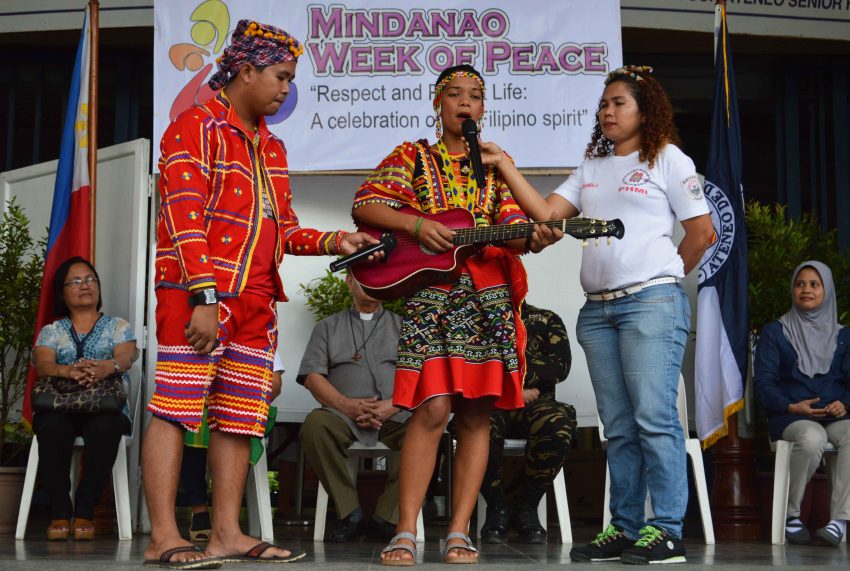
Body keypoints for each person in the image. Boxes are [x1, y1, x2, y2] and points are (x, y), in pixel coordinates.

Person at [143, 19, 379, 568]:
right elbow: (183, 217)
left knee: (239, 416)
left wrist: (337, 239)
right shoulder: (193, 127)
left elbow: (284, 229)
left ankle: (225, 534)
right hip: (196, 294)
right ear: (245, 71)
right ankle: (162, 536)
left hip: (257, 302)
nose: (285, 90)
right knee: (176, 410)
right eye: (280, 77)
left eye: (290, 79)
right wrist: (205, 296)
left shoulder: (271, 146)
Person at [475, 65, 715, 564]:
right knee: (620, 426)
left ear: (645, 111)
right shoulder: (591, 168)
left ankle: (667, 529)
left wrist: (666, 276)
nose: (607, 111)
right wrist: (503, 164)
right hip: (599, 312)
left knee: (654, 418)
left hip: (651, 304)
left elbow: (701, 234)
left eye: (618, 103)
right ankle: (625, 528)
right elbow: (546, 214)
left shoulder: (669, 159)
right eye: (603, 104)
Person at [352, 64, 561, 565]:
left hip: (485, 305)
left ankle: (460, 531)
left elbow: (515, 233)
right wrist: (418, 224)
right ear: (437, 104)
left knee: (475, 414)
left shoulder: (493, 167)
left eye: (475, 96)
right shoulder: (413, 157)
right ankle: (406, 529)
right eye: (455, 95)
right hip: (430, 297)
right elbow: (366, 203)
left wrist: (533, 231)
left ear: (483, 109)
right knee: (431, 410)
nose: (465, 103)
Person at [298, 273, 409, 542]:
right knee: (314, 426)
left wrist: (392, 405)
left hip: (397, 414)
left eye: (377, 279)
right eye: (363, 279)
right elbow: (313, 377)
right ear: (349, 282)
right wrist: (346, 406)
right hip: (341, 416)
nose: (372, 284)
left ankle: (387, 517)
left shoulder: (406, 327)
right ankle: (350, 512)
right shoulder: (327, 327)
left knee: (427, 431)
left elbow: (422, 376)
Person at [31, 256, 136, 541]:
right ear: (62, 293)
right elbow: (43, 365)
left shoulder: (118, 326)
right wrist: (69, 371)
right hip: (60, 406)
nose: (85, 285)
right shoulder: (51, 331)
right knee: (51, 426)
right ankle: (61, 513)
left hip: (105, 406)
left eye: (90, 279)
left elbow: (126, 356)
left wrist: (107, 367)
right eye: (75, 281)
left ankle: (85, 512)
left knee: (107, 427)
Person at [754, 261, 850, 546]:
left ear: (827, 291)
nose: (806, 289)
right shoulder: (775, 332)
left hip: (835, 416)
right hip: (791, 416)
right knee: (812, 436)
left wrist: (844, 404)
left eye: (814, 284)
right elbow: (764, 384)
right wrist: (790, 407)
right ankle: (791, 515)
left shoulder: (844, 336)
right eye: (800, 284)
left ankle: (840, 521)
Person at [479, 304, 576, 544]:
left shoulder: (545, 319)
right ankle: (497, 507)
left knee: (557, 423)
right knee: (474, 428)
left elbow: (558, 367)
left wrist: (502, 371)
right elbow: (468, 367)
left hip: (536, 405)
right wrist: (511, 389)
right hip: (488, 403)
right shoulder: (476, 318)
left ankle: (527, 507)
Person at [179, 353, 285, 543]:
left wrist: (244, 397)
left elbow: (275, 385)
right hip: (201, 403)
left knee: (235, 425)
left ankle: (226, 518)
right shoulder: (203, 331)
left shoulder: (262, 337)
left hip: (242, 405)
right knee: (190, 425)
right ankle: (199, 510)